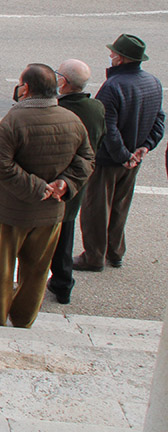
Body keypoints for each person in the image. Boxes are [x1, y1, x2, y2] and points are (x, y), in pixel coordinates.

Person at [0, 64, 93, 328]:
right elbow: (87, 158)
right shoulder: (72, 120)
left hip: (10, 211)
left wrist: (37, 187)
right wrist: (65, 184)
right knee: (36, 270)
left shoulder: (15, 120)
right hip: (50, 213)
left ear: (25, 88)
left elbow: (1, 164)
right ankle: (23, 318)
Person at [75, 34, 164, 272]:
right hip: (135, 158)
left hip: (110, 160)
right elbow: (159, 120)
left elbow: (108, 128)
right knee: (120, 206)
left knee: (96, 209)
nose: (111, 56)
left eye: (113, 53)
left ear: (122, 58)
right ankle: (115, 252)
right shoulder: (153, 82)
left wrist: (124, 156)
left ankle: (93, 256)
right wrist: (144, 148)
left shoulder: (113, 87)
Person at [46, 59, 106, 305]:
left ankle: (32, 282)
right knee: (66, 233)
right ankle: (63, 284)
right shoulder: (96, 108)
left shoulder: (56, 108)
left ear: (64, 82)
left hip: (52, 181)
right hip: (77, 181)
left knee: (40, 235)